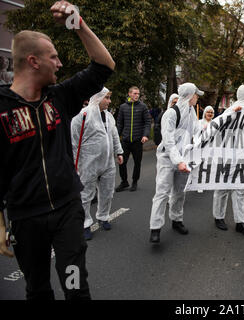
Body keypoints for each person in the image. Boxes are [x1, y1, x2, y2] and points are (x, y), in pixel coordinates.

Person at [0, 0, 115, 300]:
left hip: (67, 211)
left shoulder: (59, 97)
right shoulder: (1, 109)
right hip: (26, 220)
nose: (60, 64)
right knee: (37, 289)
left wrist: (77, 23)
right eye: (54, 57)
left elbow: (104, 66)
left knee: (75, 284)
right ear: (34, 61)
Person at [149, 83, 204, 243]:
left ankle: (176, 220)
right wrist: (178, 161)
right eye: (196, 94)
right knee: (162, 192)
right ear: (189, 95)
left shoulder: (191, 111)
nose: (197, 97)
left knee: (180, 192)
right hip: (167, 159)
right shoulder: (171, 114)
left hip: (183, 158)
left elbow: (197, 131)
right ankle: (155, 227)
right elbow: (168, 142)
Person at [71, 88, 123, 241]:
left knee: (107, 192)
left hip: (107, 162)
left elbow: (114, 135)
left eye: (109, 97)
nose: (109, 101)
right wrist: (75, 163)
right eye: (106, 98)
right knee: (86, 195)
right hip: (88, 163)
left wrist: (118, 152)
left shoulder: (109, 116)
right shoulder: (82, 115)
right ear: (98, 97)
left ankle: (103, 216)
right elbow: (74, 142)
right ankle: (85, 224)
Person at [213, 85, 244, 237]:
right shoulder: (230, 110)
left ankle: (240, 221)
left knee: (240, 189)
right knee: (223, 187)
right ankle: (219, 217)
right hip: (228, 155)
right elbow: (217, 126)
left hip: (243, 156)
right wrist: (232, 112)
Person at [115, 86, 151, 192]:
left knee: (137, 163)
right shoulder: (123, 107)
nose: (137, 95)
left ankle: (135, 182)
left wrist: (145, 135)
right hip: (125, 140)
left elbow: (147, 123)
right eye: (134, 93)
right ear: (129, 94)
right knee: (122, 162)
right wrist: (116, 137)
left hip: (137, 140)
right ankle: (124, 182)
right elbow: (119, 123)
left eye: (138, 94)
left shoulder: (143, 107)